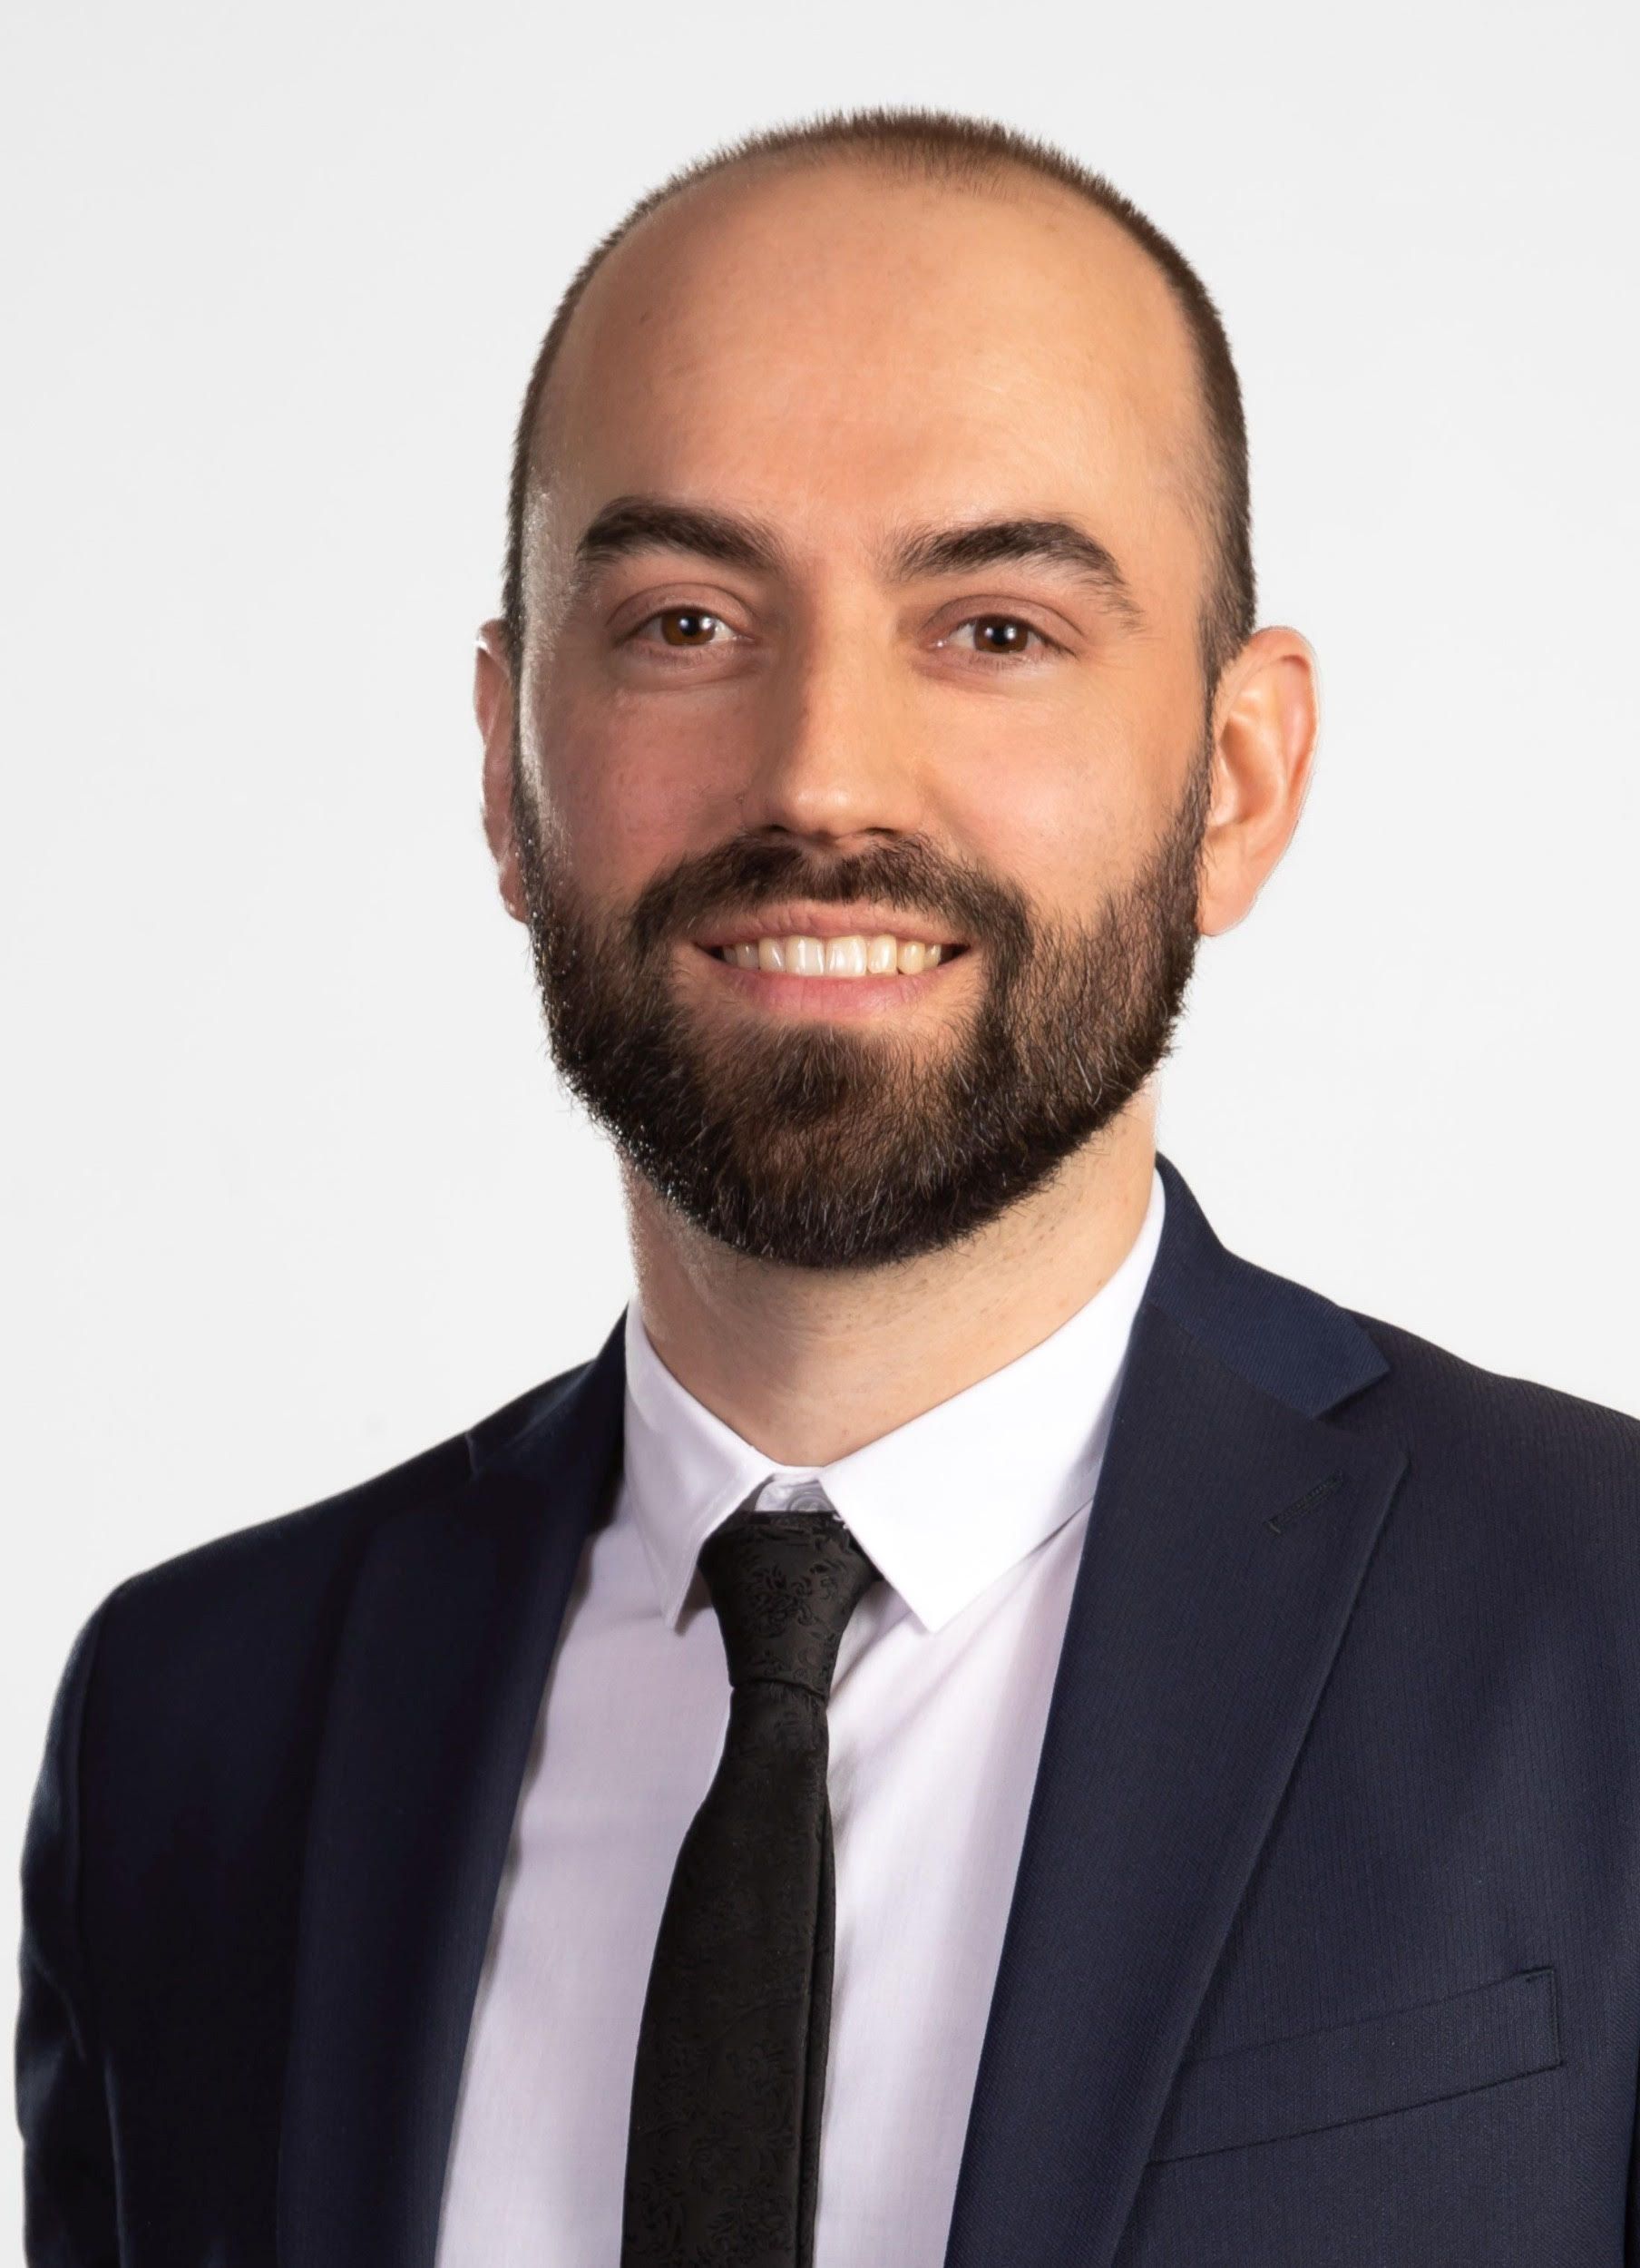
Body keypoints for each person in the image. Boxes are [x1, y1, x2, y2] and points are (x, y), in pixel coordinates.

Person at [15, 103, 1640, 2268]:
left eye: (994, 629)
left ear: (1236, 778)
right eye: (686, 621)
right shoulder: (196, 1727)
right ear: (507, 766)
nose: (820, 777)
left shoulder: (1604, 1633)